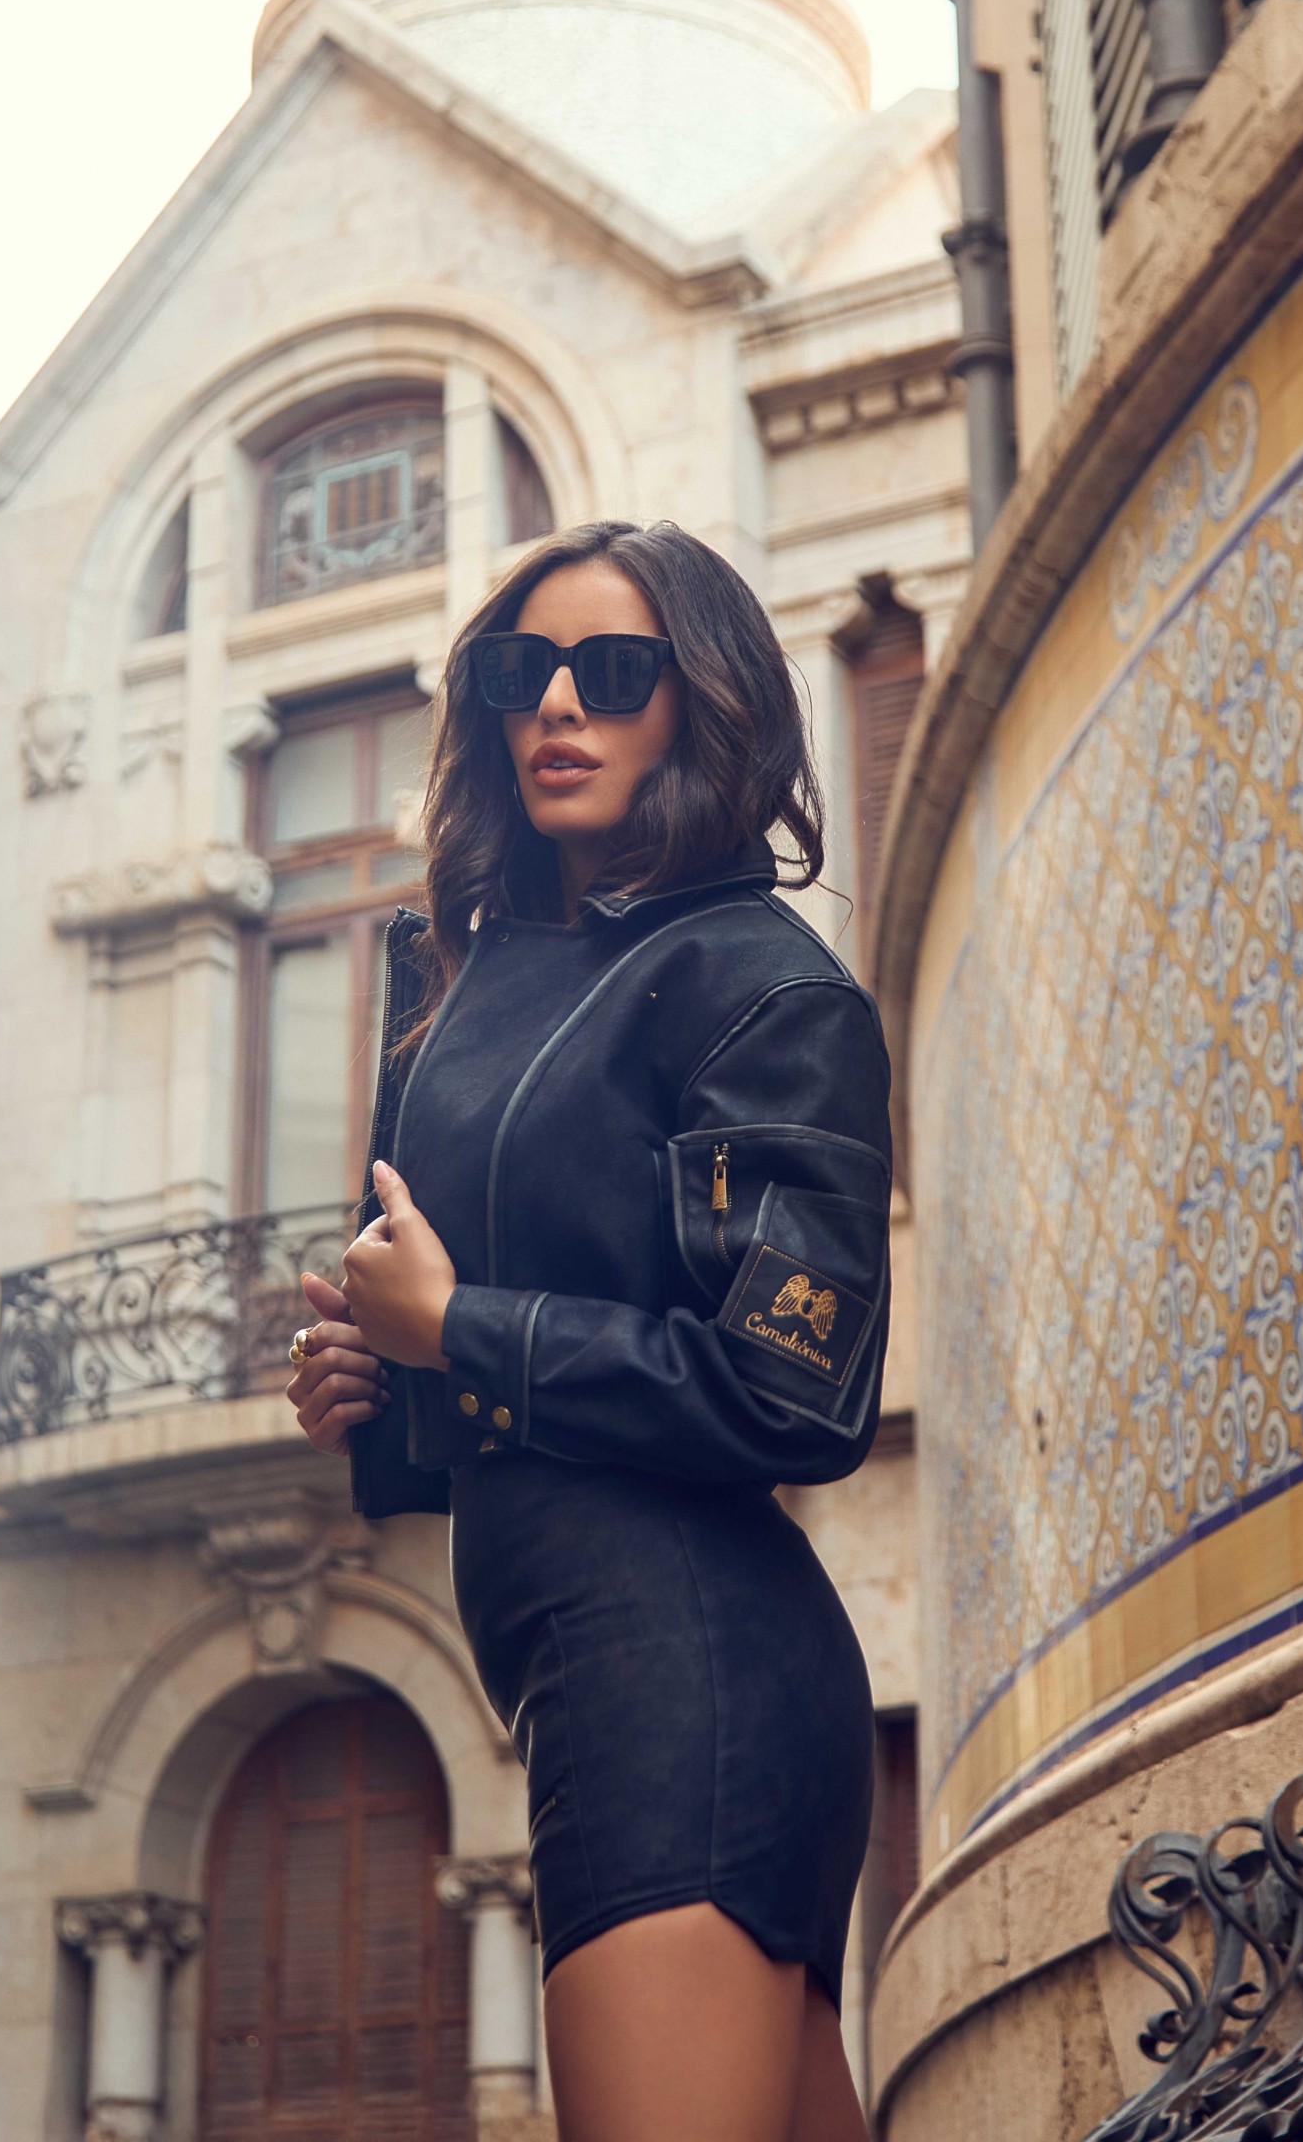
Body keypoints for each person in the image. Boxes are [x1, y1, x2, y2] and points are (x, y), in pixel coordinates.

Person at [286, 519, 894, 2142]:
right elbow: (480, 1310)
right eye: (521, 672)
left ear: (703, 703)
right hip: (585, 1666)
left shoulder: (763, 991)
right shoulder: (467, 978)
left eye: (614, 672)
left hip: (690, 1674)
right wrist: (379, 1365)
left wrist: (460, 1328)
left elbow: (793, 1391)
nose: (558, 705)